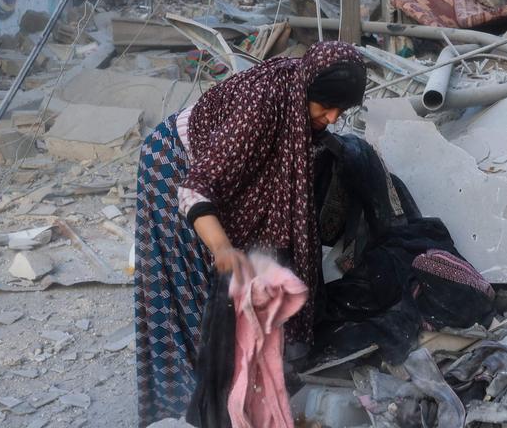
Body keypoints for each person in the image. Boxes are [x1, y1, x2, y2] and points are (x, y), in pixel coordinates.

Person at [134, 41, 367, 426]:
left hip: (209, 174)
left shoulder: (300, 90)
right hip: (173, 167)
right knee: (192, 298)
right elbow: (195, 189)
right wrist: (223, 248)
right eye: (326, 107)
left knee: (237, 301)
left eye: (341, 110)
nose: (332, 117)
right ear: (306, 92)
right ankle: (187, 409)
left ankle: (234, 399)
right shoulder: (262, 105)